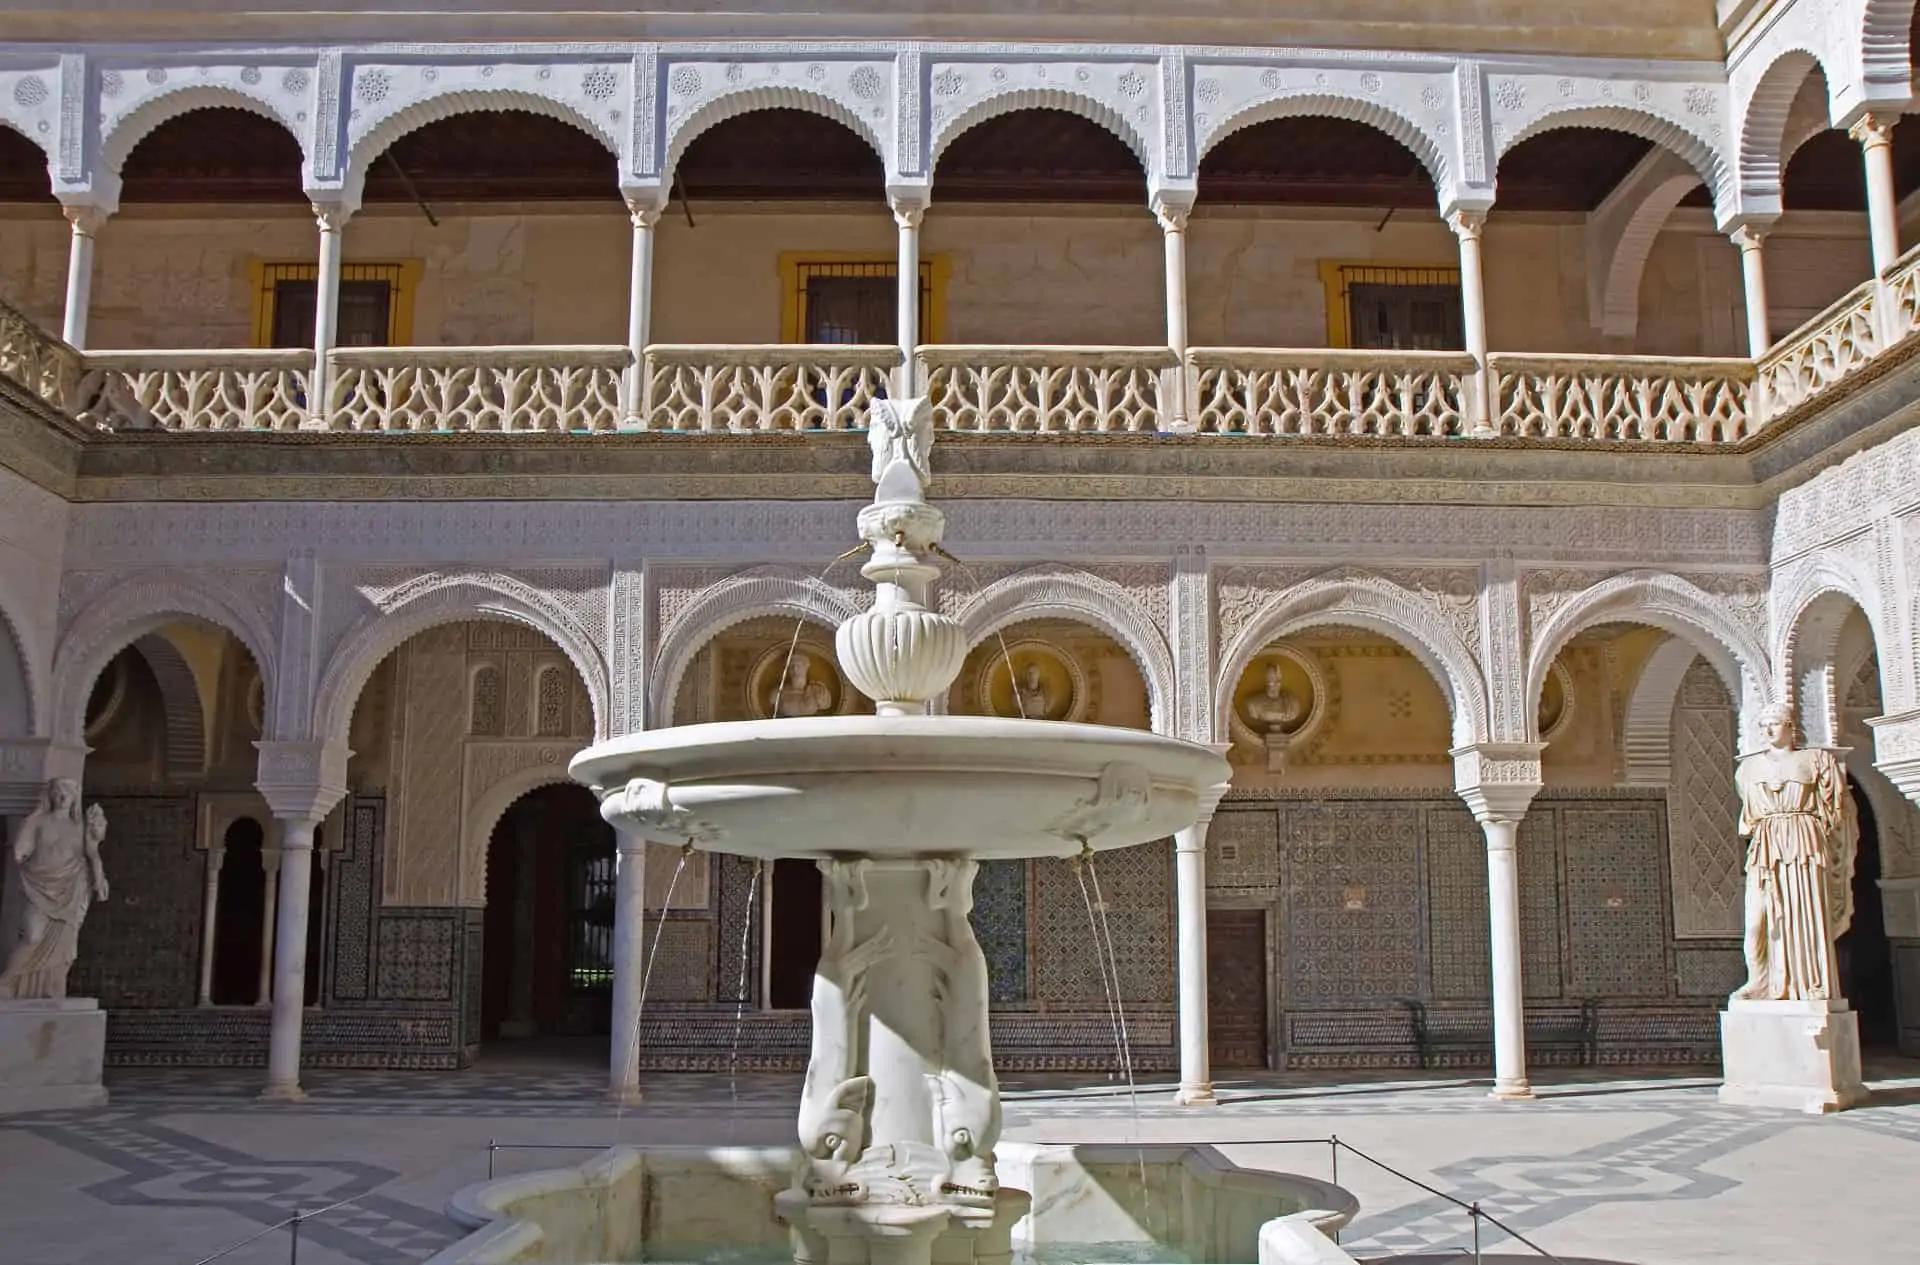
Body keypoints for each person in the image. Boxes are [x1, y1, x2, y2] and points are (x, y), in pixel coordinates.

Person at [1732, 703, 1857, 1002]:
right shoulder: (1748, 769)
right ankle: (1759, 981)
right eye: (1763, 725)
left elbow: (1837, 809)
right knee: (1756, 922)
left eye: (1774, 723)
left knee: (1803, 911)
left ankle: (1809, 982)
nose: (1768, 730)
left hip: (1803, 841)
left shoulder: (1816, 760)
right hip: (1767, 843)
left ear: (1791, 726)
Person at [0, 779, 109, 1000]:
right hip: (39, 885)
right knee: (32, 936)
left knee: (65, 945)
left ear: (74, 796)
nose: (62, 797)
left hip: (71, 888)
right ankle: (6, 981)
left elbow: (92, 853)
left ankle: (51, 989)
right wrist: (30, 822)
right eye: (57, 792)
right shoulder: (39, 821)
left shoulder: (80, 826)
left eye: (67, 793)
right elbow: (19, 853)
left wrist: (99, 879)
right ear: (50, 795)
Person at [1245, 662, 1303, 734]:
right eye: (1268, 679)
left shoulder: (1292, 703)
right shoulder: (1253, 703)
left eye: (1274, 679)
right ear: (1265, 681)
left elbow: (1294, 712)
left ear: (1280, 680)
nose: (1271, 683)